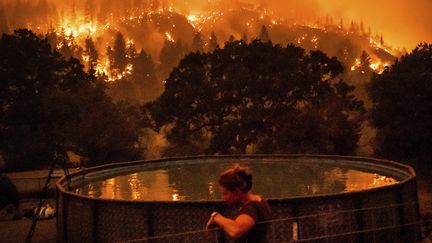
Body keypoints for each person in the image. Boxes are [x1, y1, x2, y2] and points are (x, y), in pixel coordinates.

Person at [206, 164, 272, 242]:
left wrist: (216, 217)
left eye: (225, 194)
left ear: (237, 191)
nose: (223, 198)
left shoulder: (251, 208)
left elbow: (236, 230)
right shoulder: (260, 200)